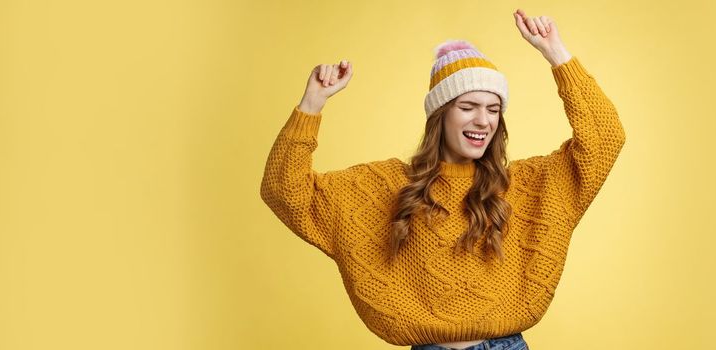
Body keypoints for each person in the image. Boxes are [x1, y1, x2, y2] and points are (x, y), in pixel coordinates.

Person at [260, 8, 625, 350]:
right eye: (467, 107)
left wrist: (555, 52)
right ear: (439, 116)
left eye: (493, 109)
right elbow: (283, 190)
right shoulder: (385, 186)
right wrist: (312, 103)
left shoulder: (528, 185)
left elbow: (605, 138)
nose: (483, 120)